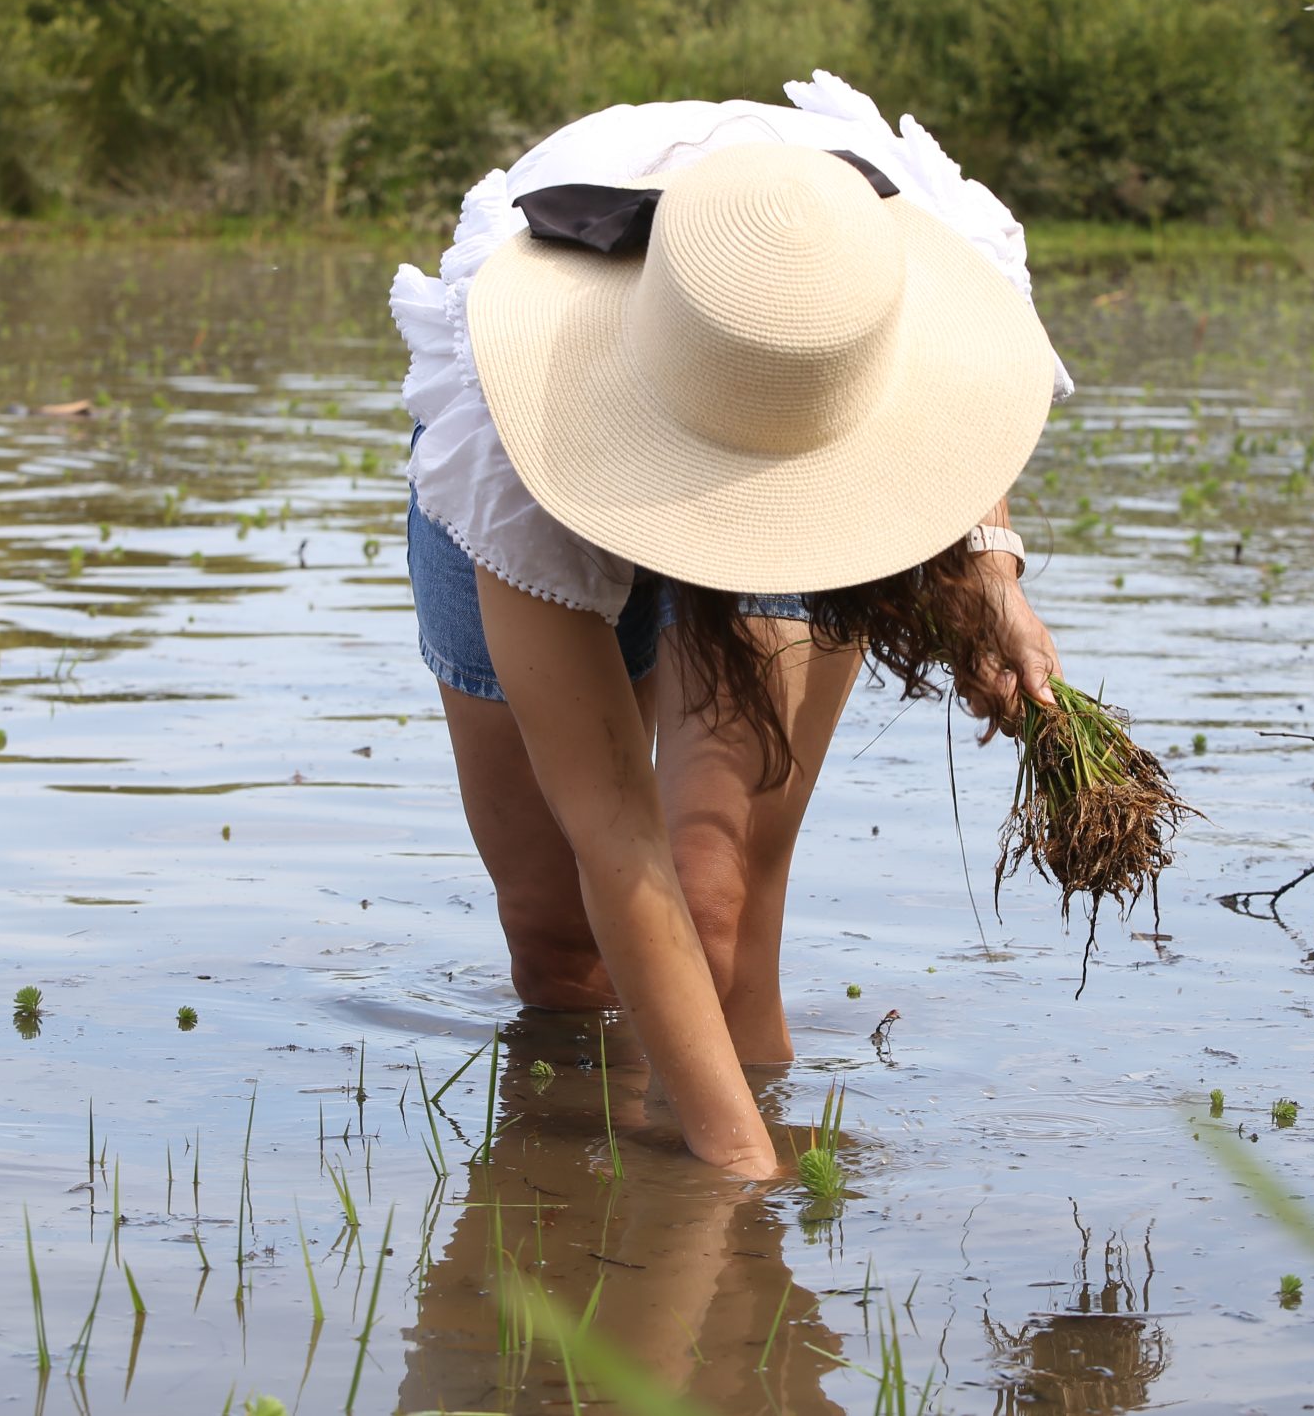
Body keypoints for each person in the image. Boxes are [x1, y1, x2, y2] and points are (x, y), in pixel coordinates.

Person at [392, 71, 1069, 1177]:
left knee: (718, 899)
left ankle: (729, 1287)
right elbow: (612, 828)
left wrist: (989, 574)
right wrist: (746, 1173)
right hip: (575, 427)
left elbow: (954, 395)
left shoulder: (875, 268)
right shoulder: (512, 439)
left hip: (801, 426)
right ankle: (563, 1227)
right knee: (560, 947)